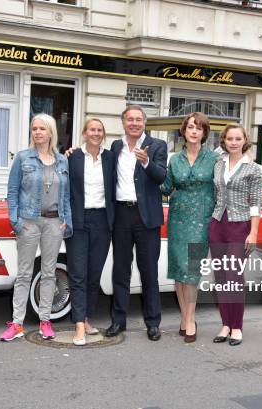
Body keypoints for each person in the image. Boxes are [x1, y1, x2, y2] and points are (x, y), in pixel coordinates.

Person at [0, 113, 73, 342]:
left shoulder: (62, 161)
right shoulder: (23, 158)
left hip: (54, 222)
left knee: (49, 272)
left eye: (42, 128)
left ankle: (45, 320)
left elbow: (66, 194)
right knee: (24, 274)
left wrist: (65, 221)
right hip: (29, 222)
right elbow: (12, 192)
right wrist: (16, 221)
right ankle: (18, 323)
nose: (37, 132)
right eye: (34, 129)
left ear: (51, 132)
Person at [105, 105, 167, 341]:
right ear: (123, 122)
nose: (134, 123)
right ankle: (118, 321)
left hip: (146, 217)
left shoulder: (157, 146)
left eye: (138, 120)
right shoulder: (116, 146)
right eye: (130, 119)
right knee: (120, 271)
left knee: (149, 271)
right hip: (121, 214)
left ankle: (153, 323)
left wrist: (146, 162)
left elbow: (162, 176)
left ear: (144, 122)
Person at [160, 112, 217, 343]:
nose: (194, 131)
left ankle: (190, 319)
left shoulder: (214, 159)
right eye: (191, 127)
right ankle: (186, 318)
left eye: (199, 128)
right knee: (179, 272)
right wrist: (145, 167)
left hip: (202, 221)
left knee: (192, 272)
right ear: (184, 130)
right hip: (178, 219)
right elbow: (165, 187)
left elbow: (224, 185)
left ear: (204, 133)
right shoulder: (175, 160)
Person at [209, 124, 262, 346]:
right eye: (229, 138)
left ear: (244, 140)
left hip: (239, 226)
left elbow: (257, 204)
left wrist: (254, 233)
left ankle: (237, 326)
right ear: (223, 140)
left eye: (238, 138)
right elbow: (215, 193)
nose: (233, 142)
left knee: (234, 278)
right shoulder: (218, 163)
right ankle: (225, 324)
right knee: (221, 278)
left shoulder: (253, 169)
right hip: (217, 223)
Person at [66, 118, 115, 346]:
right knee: (78, 273)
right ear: (84, 133)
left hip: (103, 221)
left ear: (103, 134)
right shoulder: (71, 157)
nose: (96, 133)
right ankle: (77, 325)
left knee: (94, 273)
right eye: (92, 129)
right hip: (79, 220)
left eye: (99, 130)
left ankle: (86, 318)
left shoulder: (110, 158)